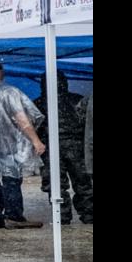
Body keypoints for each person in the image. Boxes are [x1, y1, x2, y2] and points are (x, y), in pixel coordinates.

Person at [0, 60, 47, 230]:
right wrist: (35, 140)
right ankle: (14, 216)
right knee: (11, 179)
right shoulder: (8, 91)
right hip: (7, 143)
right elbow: (21, 118)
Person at [33, 71, 93, 225]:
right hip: (76, 147)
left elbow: (35, 127)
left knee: (55, 185)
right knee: (83, 183)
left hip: (50, 148)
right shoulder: (77, 99)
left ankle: (62, 216)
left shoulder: (38, 103)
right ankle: (89, 215)